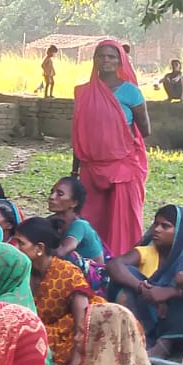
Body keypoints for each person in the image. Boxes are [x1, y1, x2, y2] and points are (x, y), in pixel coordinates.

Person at [70, 40, 150, 258]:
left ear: (120, 61)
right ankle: (93, 266)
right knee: (91, 219)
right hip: (90, 167)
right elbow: (79, 134)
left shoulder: (131, 92)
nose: (106, 60)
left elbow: (145, 130)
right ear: (94, 60)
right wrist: (75, 170)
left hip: (122, 167)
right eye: (101, 56)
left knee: (122, 222)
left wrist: (115, 134)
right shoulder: (83, 92)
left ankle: (122, 266)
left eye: (111, 57)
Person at [106, 205, 183, 358]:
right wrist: (142, 288)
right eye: (156, 224)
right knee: (126, 274)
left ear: (180, 232)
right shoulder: (147, 252)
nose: (157, 229)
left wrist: (168, 293)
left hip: (173, 319)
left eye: (165, 226)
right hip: (147, 313)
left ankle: (164, 345)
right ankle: (138, 337)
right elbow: (114, 265)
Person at [13, 217, 100, 365]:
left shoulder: (67, 273)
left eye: (21, 244)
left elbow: (82, 323)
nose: (16, 249)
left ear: (40, 248)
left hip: (76, 336)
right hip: (46, 335)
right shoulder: (22, 272)